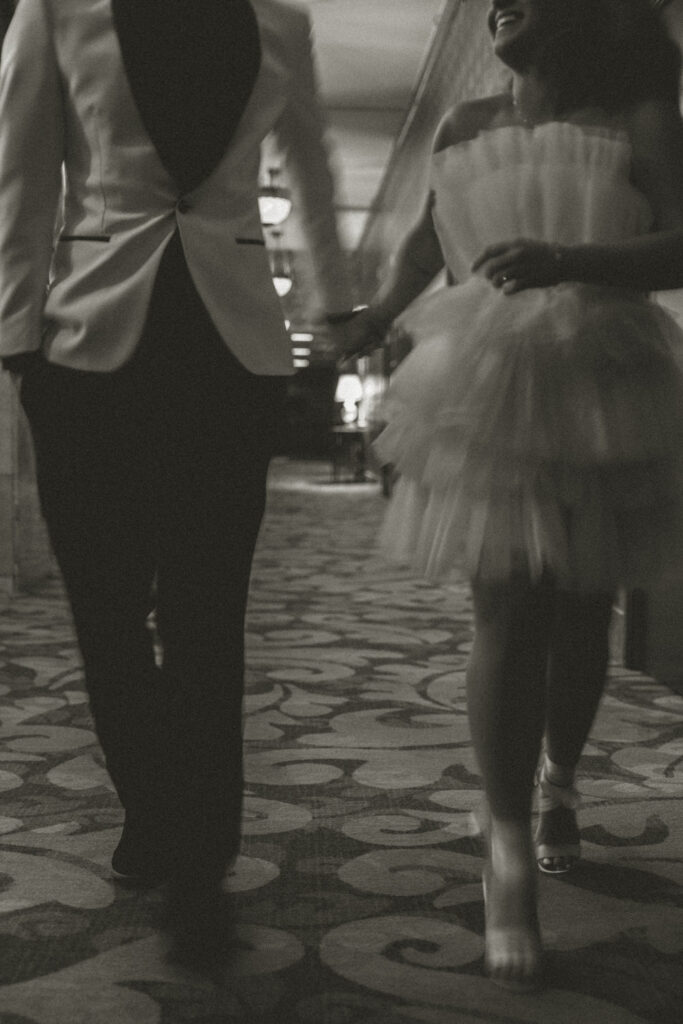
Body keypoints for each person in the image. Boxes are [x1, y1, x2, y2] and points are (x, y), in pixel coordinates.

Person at [0, 0, 353, 969]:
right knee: (107, 617)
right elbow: (19, 177)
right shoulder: (55, 11)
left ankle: (198, 868)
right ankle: (155, 805)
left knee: (203, 618)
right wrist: (17, 344)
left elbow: (313, 171)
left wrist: (334, 305)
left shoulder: (278, 22)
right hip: (82, 355)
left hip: (226, 360)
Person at [339, 0, 683, 992]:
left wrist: (569, 261)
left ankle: (559, 779)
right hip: (487, 371)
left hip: (604, 374)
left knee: (579, 607)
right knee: (501, 602)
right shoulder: (462, 127)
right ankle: (502, 847)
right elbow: (421, 243)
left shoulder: (640, 119)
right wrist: (373, 316)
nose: (498, 7)